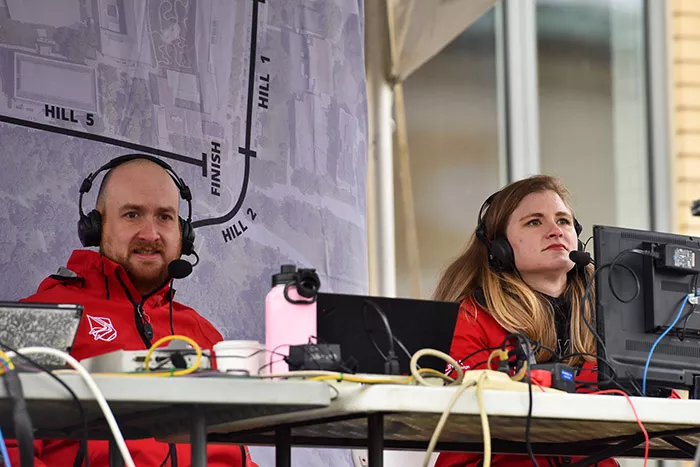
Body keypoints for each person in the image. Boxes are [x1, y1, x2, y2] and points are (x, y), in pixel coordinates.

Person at [7, 155, 257, 467]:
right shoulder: (41, 319)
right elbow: (9, 450)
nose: (150, 234)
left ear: (183, 233)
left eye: (165, 217)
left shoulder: (204, 333)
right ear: (96, 226)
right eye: (132, 215)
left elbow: (239, 455)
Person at [432, 175, 616, 467]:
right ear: (500, 248)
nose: (555, 231)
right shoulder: (472, 315)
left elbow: (661, 397)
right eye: (534, 222)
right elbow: (465, 402)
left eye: (563, 221)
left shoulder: (609, 317)